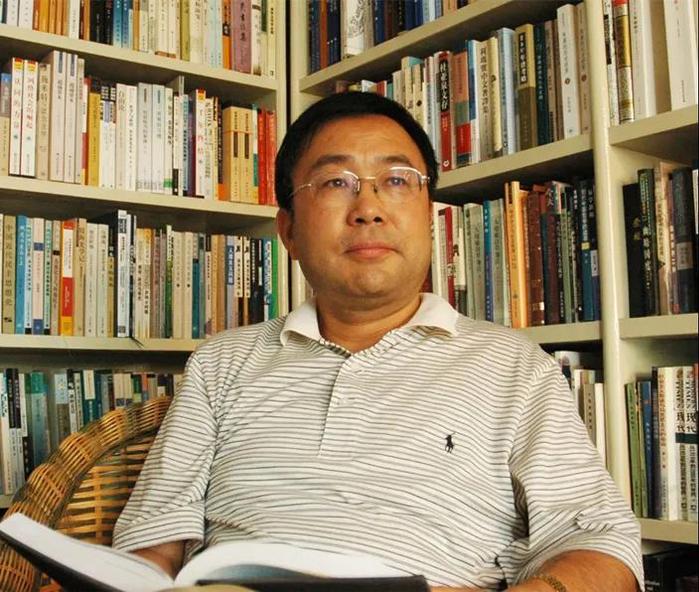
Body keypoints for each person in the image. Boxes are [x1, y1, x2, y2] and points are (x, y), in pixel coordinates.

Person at [113, 92, 642, 592]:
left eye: (396, 180)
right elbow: (153, 543)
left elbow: (603, 544)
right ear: (289, 230)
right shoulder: (221, 362)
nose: (368, 208)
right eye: (335, 182)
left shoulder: (514, 367)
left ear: (430, 218)